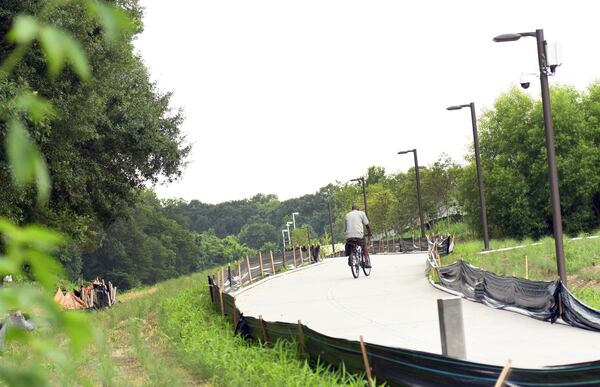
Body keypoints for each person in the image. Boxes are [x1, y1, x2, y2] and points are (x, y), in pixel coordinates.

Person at [344, 203, 372, 268]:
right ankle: (366, 261)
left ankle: (350, 257)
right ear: (358, 209)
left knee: (350, 244)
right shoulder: (361, 213)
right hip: (359, 235)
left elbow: (345, 229)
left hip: (349, 236)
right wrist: (369, 233)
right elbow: (367, 225)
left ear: (352, 209)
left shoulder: (347, 215)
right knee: (364, 245)